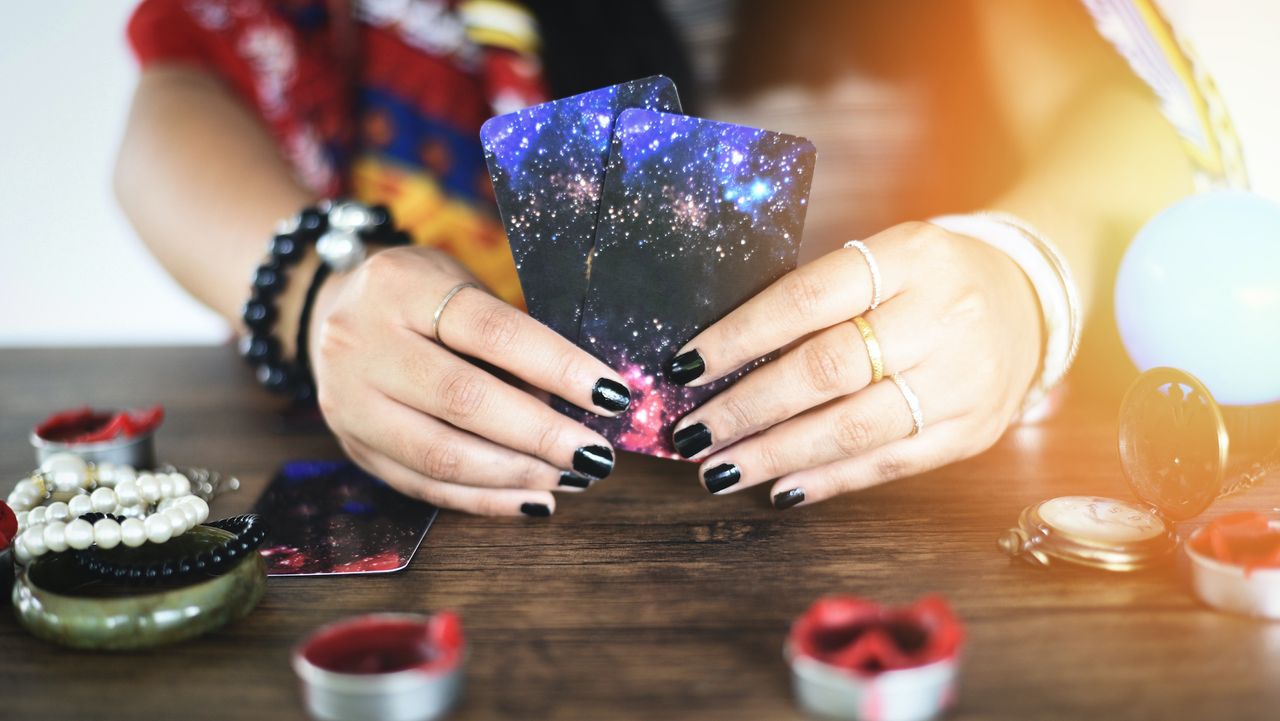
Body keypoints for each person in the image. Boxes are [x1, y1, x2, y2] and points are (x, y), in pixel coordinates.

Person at [115, 0, 1197, 516]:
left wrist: (1024, 269)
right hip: (493, 513)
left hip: (915, 507)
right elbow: (174, 102)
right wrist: (318, 290)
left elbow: (1132, 103)